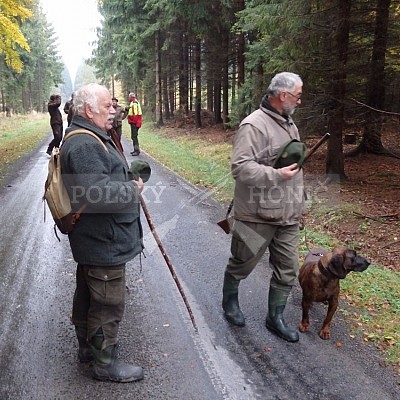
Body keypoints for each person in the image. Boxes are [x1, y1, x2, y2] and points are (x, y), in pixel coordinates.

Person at [60, 83, 145, 382]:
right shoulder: (84, 144)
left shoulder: (92, 136)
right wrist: (131, 189)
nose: (114, 110)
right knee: (108, 302)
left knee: (88, 294)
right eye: (108, 105)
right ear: (88, 110)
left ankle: (87, 347)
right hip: (103, 240)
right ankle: (104, 362)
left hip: (96, 239)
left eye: (113, 105)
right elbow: (97, 193)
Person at [222, 72, 305, 343]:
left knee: (288, 269)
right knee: (242, 263)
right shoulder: (253, 125)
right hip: (255, 215)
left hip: (288, 215)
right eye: (298, 95)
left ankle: (275, 318)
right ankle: (230, 302)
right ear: (283, 96)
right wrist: (277, 175)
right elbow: (240, 168)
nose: (300, 101)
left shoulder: (289, 124)